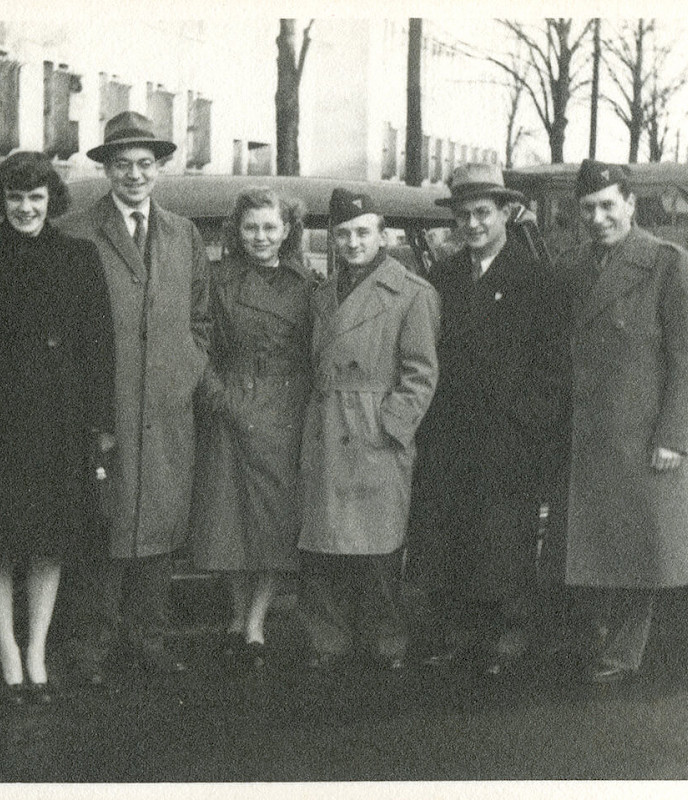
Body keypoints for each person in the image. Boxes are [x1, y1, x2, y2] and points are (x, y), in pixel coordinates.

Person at [59, 111, 211, 682]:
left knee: (160, 523)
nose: (134, 174)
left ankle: (149, 638)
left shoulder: (183, 233)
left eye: (145, 164)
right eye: (122, 164)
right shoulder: (77, 230)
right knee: (105, 522)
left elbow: (201, 318)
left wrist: (185, 371)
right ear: (106, 169)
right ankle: (89, 647)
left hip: (168, 407)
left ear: (160, 168)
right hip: (105, 402)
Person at [406, 162, 572, 675]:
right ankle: (459, 635)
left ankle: (504, 635)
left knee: (502, 537)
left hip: (508, 436)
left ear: (506, 212)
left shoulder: (535, 278)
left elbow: (553, 366)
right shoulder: (444, 277)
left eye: (484, 213)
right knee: (452, 532)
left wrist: (527, 422)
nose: (473, 225)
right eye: (464, 216)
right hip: (451, 433)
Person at [557, 159, 688, 684]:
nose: (598, 218)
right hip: (590, 432)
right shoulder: (577, 268)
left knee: (637, 545)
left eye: (607, 205)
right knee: (599, 542)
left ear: (630, 203)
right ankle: (606, 635)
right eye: (587, 208)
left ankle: (624, 648)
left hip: (639, 430)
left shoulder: (668, 264)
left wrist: (674, 435)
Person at [297, 188, 439, 671]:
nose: (352, 242)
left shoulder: (411, 293)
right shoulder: (322, 293)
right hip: (327, 427)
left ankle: (386, 641)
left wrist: (390, 426)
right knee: (325, 547)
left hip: (372, 433)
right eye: (342, 234)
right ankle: (328, 640)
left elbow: (420, 372)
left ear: (383, 235)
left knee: (377, 548)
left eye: (362, 232)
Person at [0, 152, 115, 705]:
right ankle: (8, 653)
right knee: (2, 542)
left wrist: (101, 424)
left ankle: (37, 651)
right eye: (16, 197)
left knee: (49, 539)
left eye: (36, 197)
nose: (26, 208)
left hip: (58, 420)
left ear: (52, 200)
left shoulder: (77, 256)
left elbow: (99, 347)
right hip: (3, 419)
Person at [191, 189, 313, 669]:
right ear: (237, 232)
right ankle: (236, 615)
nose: (260, 237)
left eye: (269, 227)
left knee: (270, 520)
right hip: (227, 403)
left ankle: (256, 622)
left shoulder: (306, 285)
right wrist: (218, 396)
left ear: (287, 230)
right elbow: (197, 342)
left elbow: (311, 352)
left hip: (282, 410)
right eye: (250, 228)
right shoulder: (216, 281)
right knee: (231, 519)